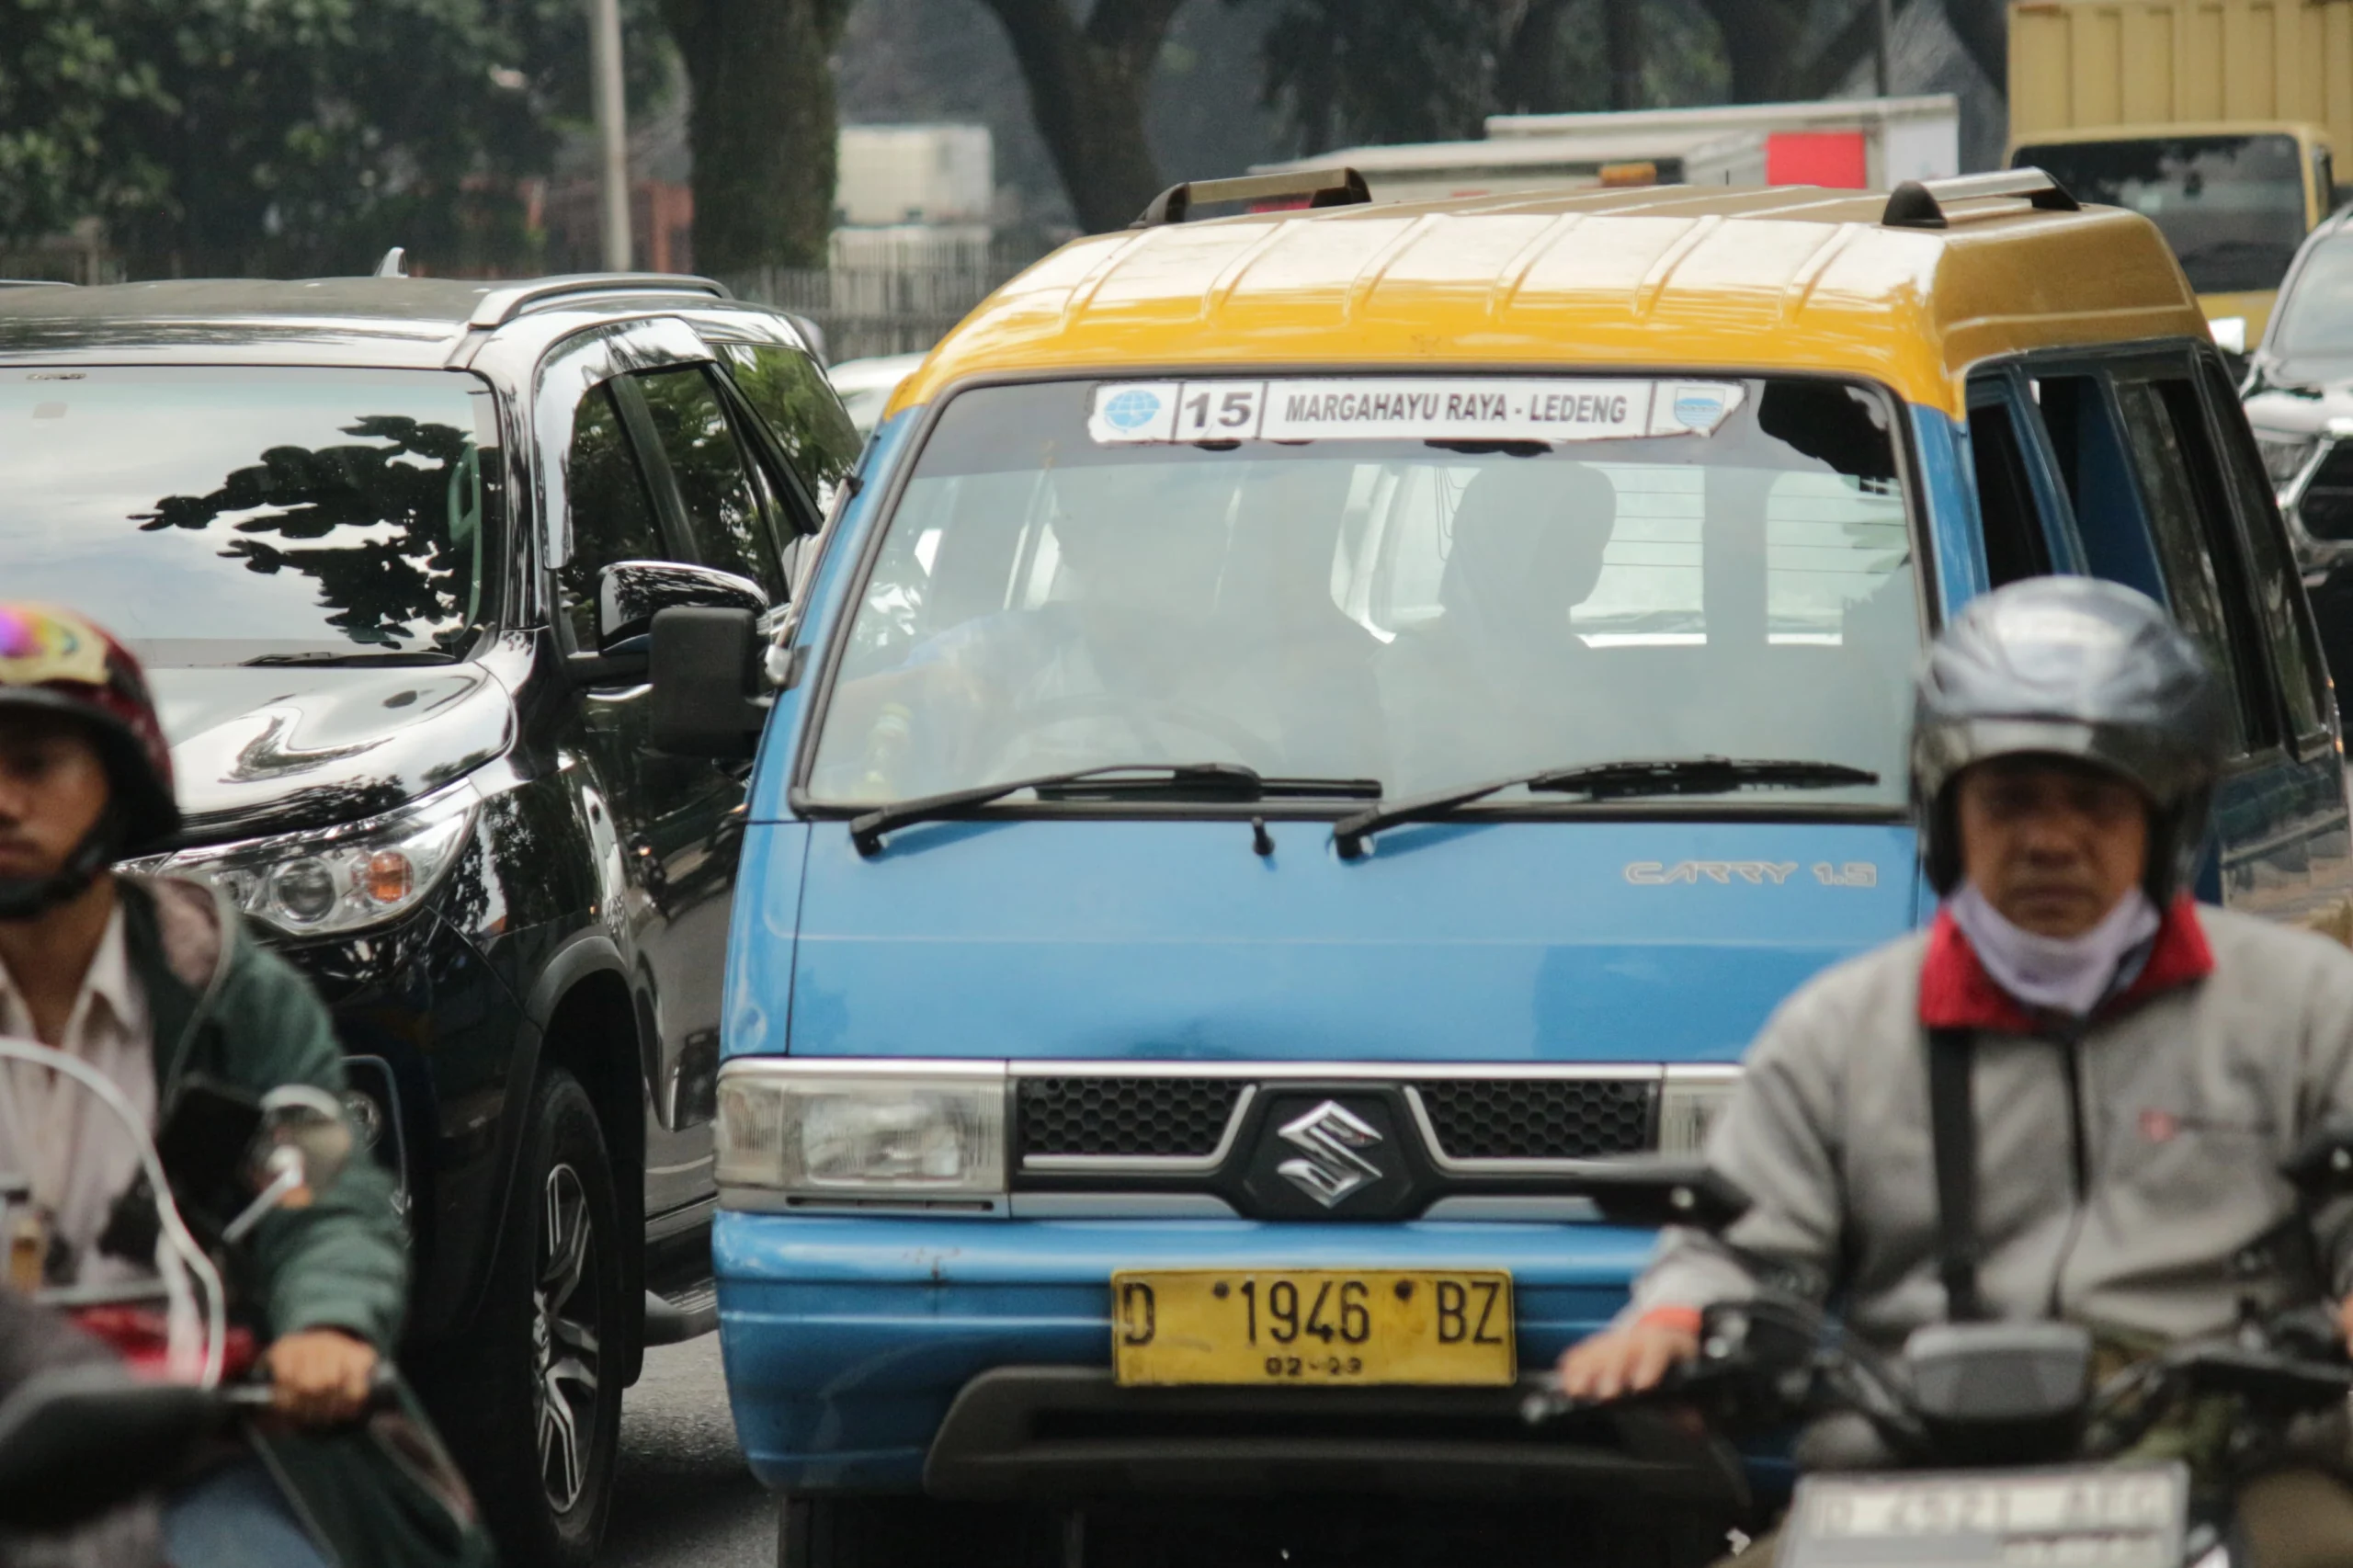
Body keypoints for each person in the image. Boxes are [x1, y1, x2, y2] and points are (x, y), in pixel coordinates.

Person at [1557, 575, 2353, 1568]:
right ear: (1945, 814)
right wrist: (1674, 1321)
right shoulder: (1839, 1027)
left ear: (2166, 817)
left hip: (2229, 1472)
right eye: (2010, 799)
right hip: (1904, 1488)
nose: (2051, 837)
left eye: (2095, 801)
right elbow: (1737, 1239)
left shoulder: (2309, 1005)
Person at [0, 601, 493, 1568]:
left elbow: (322, 1188)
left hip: (203, 1438)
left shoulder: (225, 993)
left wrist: (326, 1326)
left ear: (122, 786)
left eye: (36, 763)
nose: (2, 800)